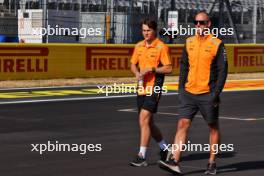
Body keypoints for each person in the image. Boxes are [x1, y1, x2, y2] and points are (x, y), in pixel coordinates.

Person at [159, 11, 228, 175]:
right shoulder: (189, 42)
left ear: (208, 24)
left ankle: (212, 162)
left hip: (208, 94)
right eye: (196, 22)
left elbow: (223, 71)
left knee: (213, 127)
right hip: (188, 93)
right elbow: (183, 65)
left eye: (202, 23)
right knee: (182, 124)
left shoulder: (217, 44)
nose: (198, 26)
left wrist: (215, 93)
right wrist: (181, 88)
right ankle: (175, 161)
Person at [130, 18, 173, 167]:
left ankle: (141, 156)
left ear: (154, 30)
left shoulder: (162, 47)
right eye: (143, 30)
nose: (146, 33)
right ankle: (165, 148)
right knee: (148, 122)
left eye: (148, 30)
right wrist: (136, 73)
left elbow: (169, 68)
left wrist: (152, 69)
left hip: (155, 87)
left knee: (143, 119)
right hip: (141, 86)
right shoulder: (139, 46)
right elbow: (132, 64)